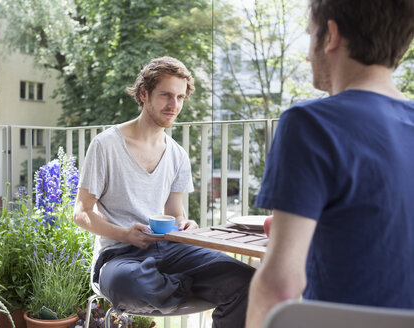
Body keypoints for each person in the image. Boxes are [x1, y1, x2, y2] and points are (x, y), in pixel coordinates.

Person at [245, 0, 414, 327]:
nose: (308, 54)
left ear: (331, 35)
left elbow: (279, 287)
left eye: (310, 35)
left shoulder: (311, 124)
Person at [73, 56, 254, 327]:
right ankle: (188, 283)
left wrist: (185, 225)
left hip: (169, 250)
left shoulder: (178, 155)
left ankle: (172, 285)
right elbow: (81, 213)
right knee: (128, 285)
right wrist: (125, 234)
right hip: (120, 256)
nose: (174, 105)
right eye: (166, 96)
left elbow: (175, 215)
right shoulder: (106, 145)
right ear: (144, 94)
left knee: (247, 280)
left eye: (180, 97)